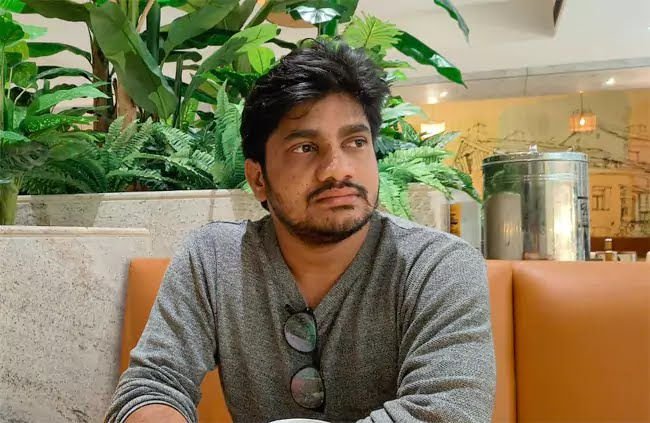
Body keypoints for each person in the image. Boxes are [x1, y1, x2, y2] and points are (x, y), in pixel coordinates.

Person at [105, 41, 496, 423]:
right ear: (258, 179)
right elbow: (153, 385)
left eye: (356, 142)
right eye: (305, 148)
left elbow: (449, 409)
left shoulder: (436, 267)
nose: (338, 169)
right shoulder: (214, 260)